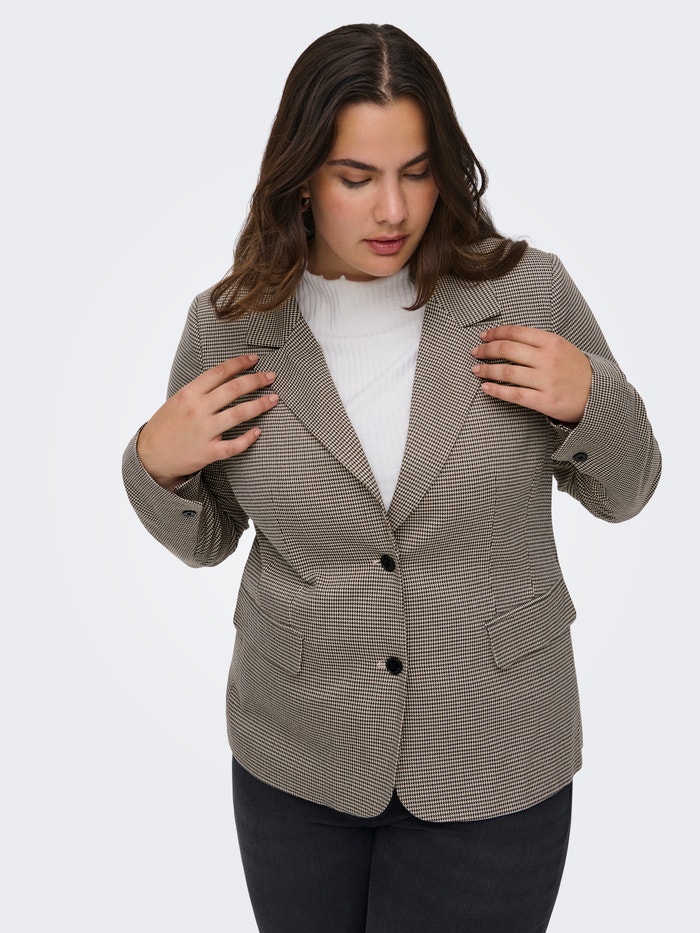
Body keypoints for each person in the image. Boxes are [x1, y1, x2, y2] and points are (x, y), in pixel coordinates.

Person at [122, 22, 661, 933]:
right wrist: (152, 463)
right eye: (356, 177)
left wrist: (589, 400)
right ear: (302, 177)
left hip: (493, 751)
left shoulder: (527, 294)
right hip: (296, 758)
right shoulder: (227, 326)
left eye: (417, 172)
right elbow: (208, 537)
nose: (393, 209)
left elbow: (629, 489)